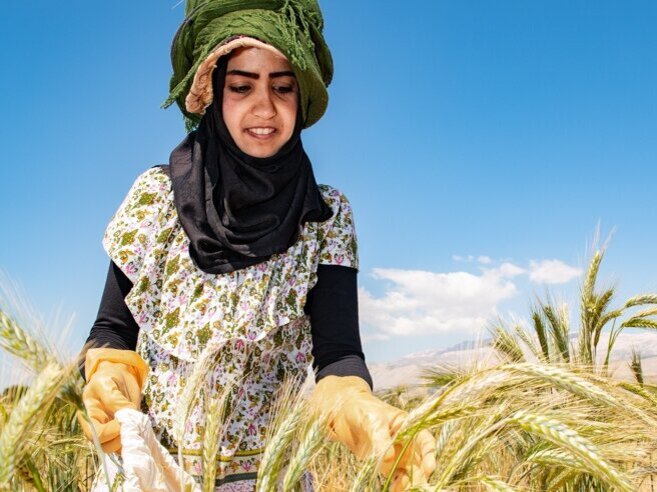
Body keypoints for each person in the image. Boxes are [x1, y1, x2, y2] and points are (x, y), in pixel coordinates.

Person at [78, 1, 436, 490]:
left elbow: (338, 356)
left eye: (283, 87)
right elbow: (112, 330)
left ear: (300, 100)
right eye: (242, 86)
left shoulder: (325, 217)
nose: (264, 107)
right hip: (156, 475)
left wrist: (358, 408)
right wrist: (109, 382)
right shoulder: (156, 199)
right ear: (212, 95)